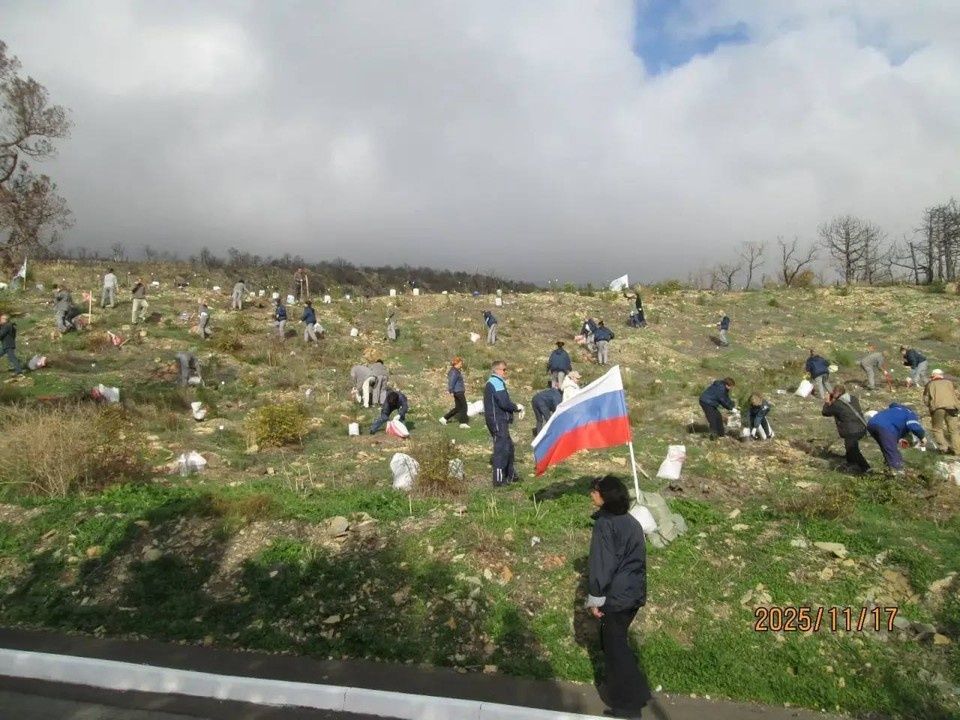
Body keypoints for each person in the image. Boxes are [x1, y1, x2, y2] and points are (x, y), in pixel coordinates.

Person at [585, 475, 652, 719]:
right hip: (634, 593)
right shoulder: (631, 521)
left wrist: (596, 598)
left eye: (595, 491)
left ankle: (629, 704)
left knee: (616, 647)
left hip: (616, 595)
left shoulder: (605, 524)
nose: (592, 494)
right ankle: (625, 691)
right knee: (616, 642)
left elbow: (602, 565)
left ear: (606, 496)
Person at [483, 360, 522, 487]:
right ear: (497, 370)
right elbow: (504, 403)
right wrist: (517, 407)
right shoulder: (496, 382)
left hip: (498, 419)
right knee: (501, 449)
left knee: (509, 447)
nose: (505, 372)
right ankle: (499, 481)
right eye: (504, 369)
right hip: (497, 420)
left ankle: (511, 475)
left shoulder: (496, 382)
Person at [821, 385, 870, 473]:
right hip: (862, 427)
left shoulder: (837, 404)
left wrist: (827, 402)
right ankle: (851, 464)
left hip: (851, 431)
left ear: (837, 393)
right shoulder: (853, 398)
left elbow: (825, 412)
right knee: (850, 448)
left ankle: (866, 468)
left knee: (853, 450)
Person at [866, 402, 927, 473]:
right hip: (885, 427)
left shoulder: (894, 410)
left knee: (887, 449)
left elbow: (895, 424)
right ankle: (898, 472)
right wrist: (922, 437)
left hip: (871, 424)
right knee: (892, 452)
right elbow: (914, 427)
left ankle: (888, 468)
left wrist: (898, 439)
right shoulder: (909, 413)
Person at [923, 369, 960, 455]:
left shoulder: (930, 384)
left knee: (937, 428)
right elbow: (956, 395)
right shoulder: (949, 383)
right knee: (954, 430)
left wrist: (929, 406)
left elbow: (926, 399)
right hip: (952, 407)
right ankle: (957, 450)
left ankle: (944, 448)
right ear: (941, 375)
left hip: (938, 408)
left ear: (933, 375)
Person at [440, 356, 469, 428]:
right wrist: (451, 390)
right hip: (458, 391)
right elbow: (451, 381)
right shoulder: (454, 371)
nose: (461, 365)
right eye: (460, 364)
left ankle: (444, 419)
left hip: (458, 391)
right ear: (456, 363)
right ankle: (463, 423)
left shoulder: (455, 371)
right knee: (464, 406)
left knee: (458, 407)